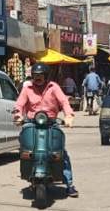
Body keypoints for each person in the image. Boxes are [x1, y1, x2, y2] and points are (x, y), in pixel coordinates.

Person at [13, 62, 79, 197]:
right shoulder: (27, 88)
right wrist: (18, 115)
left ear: (46, 76)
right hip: (32, 123)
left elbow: (64, 102)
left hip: (51, 123)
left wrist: (68, 116)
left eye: (40, 75)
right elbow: (19, 104)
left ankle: (69, 184)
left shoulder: (53, 87)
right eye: (35, 75)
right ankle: (28, 172)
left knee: (61, 154)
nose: (37, 78)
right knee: (26, 150)